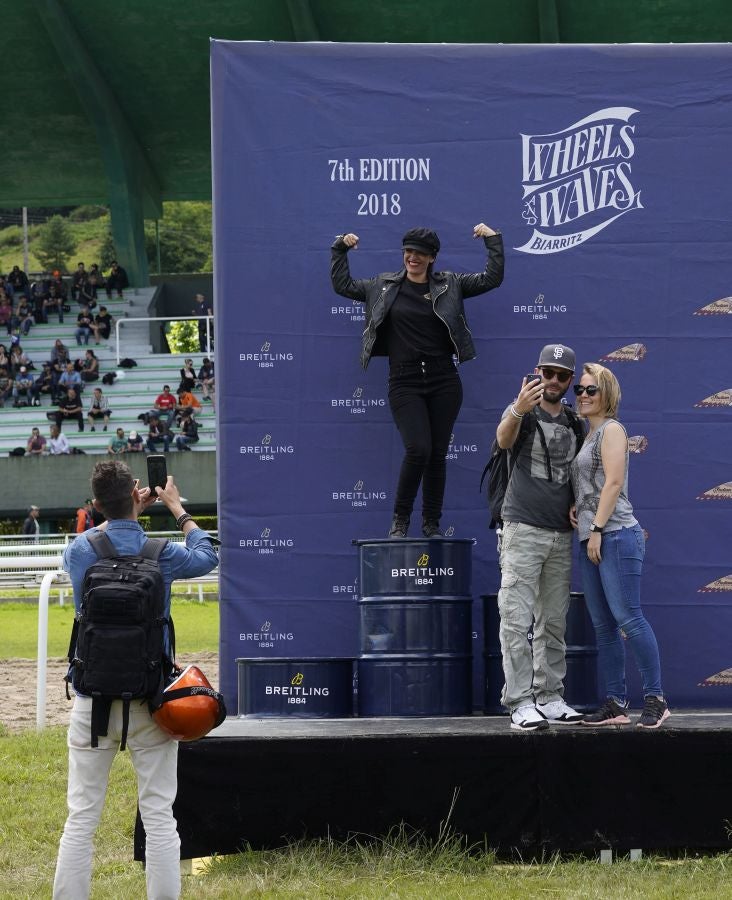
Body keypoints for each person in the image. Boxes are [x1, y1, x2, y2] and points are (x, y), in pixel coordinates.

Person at [52, 460, 219, 899]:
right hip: (151, 700)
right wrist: (177, 509)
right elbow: (208, 556)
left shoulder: (80, 550)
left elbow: (99, 538)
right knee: (160, 816)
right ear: (135, 494)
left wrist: (122, 513)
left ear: (95, 503)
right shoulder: (163, 553)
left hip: (92, 701)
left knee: (81, 818)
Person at [331, 223, 504, 537]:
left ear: (432, 257)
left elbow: (491, 278)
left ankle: (431, 523)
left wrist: (492, 240)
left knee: (437, 455)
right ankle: (400, 520)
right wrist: (340, 248)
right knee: (418, 449)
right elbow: (342, 285)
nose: (413, 257)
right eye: (409, 251)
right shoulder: (382, 286)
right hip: (404, 381)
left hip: (444, 380)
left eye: (421, 253)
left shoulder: (451, 284)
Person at [570, 363, 670, 729]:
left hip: (615, 534)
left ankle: (656, 699)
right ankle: (615, 703)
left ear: (607, 394)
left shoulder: (612, 429)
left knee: (629, 618)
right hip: (591, 536)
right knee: (604, 626)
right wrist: (578, 507)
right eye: (579, 390)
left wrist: (596, 527)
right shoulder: (588, 434)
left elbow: (613, 483)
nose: (583, 395)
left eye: (591, 390)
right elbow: (593, 484)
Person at [494, 344, 585, 731]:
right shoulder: (523, 411)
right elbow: (503, 441)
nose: (553, 380)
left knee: (553, 621)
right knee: (515, 620)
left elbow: (578, 473)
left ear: (569, 380)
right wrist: (518, 408)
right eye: (548, 372)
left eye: (562, 375)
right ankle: (519, 702)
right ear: (537, 372)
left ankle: (549, 696)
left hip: (560, 534)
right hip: (522, 528)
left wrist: (578, 503)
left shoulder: (575, 422)